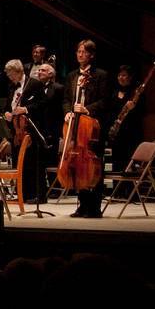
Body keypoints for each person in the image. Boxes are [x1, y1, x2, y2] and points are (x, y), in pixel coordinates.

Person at [62, 39, 109, 218]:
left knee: (93, 166)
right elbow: (66, 99)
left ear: (91, 54)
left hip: (92, 129)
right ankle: (82, 205)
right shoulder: (72, 75)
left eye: (83, 52)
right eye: (78, 51)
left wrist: (87, 109)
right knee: (77, 165)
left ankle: (94, 207)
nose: (80, 54)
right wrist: (67, 112)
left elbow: (105, 101)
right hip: (75, 126)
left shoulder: (101, 75)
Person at [3, 59, 47, 203]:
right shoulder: (11, 86)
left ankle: (37, 195)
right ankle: (23, 193)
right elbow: (8, 106)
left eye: (11, 74)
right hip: (16, 130)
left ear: (18, 72)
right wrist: (7, 114)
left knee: (32, 163)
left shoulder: (34, 84)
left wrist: (26, 109)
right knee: (18, 162)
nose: (10, 78)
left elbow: (43, 104)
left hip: (30, 129)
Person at [106, 65, 146, 175]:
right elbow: (109, 112)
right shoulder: (114, 93)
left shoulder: (137, 93)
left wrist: (134, 108)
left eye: (124, 75)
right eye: (119, 75)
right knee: (116, 165)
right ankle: (117, 191)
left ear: (131, 77)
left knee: (129, 167)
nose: (120, 78)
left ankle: (129, 191)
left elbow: (144, 112)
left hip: (131, 135)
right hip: (117, 135)